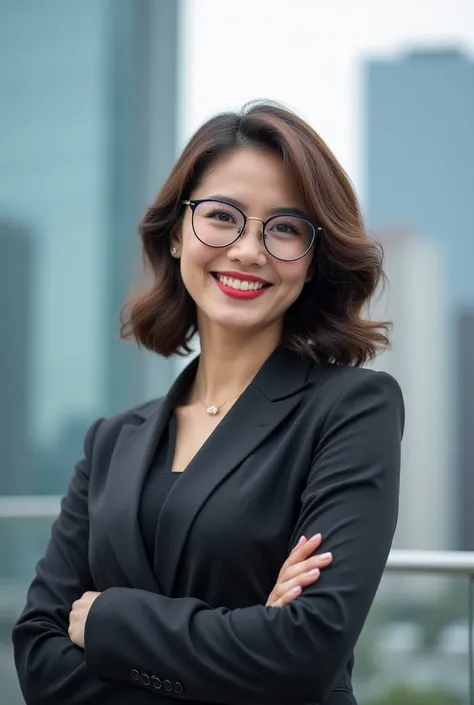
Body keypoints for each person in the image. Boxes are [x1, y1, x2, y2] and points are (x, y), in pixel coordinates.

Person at [12, 101, 404, 705]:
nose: (249, 249)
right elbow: (39, 655)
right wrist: (245, 646)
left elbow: (303, 652)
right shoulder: (111, 442)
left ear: (312, 259)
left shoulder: (353, 409)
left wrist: (110, 621)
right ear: (176, 234)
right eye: (222, 216)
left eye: (285, 227)